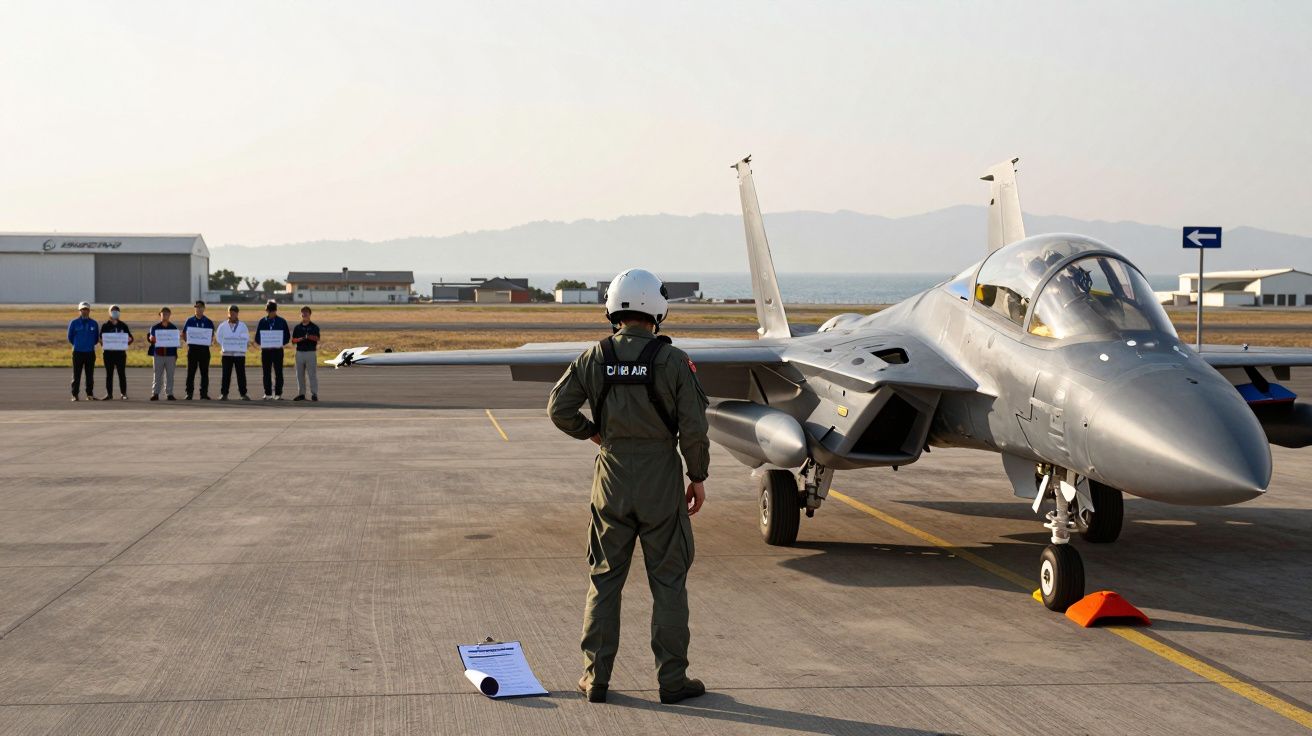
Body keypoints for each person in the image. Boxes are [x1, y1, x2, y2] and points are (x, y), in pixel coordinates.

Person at [547, 268, 710, 706]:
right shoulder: (674, 361)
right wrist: (697, 476)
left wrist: (592, 434)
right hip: (661, 480)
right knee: (669, 583)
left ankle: (595, 679)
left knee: (603, 580)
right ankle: (672, 681)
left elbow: (558, 408)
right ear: (656, 309)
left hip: (612, 477)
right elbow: (694, 427)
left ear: (612, 307)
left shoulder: (593, 356)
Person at [255, 300, 291, 400]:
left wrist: (280, 343)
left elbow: (287, 336)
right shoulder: (262, 321)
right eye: (268, 311)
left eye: (272, 311)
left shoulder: (281, 321)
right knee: (266, 372)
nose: (270, 313)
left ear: (275, 310)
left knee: (278, 372)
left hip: (277, 351)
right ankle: (268, 393)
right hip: (266, 351)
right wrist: (263, 343)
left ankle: (278, 393)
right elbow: (257, 337)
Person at [215, 304, 251, 401]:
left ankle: (243, 394)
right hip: (226, 354)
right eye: (230, 312)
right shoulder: (222, 326)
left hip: (239, 354)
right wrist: (226, 344)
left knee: (241, 374)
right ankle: (224, 394)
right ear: (228, 313)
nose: (232, 313)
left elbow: (246, 338)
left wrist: (237, 342)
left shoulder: (243, 326)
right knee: (226, 375)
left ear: (237, 313)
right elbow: (218, 338)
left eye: (234, 312)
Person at [67, 301, 100, 401]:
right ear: (79, 311)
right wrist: (78, 345)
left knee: (89, 375)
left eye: (86, 309)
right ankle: (74, 394)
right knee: (76, 375)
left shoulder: (94, 323)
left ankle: (89, 394)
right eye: (82, 310)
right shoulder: (74, 323)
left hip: (90, 352)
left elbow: (96, 338)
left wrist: (88, 345)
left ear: (89, 311)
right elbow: (70, 337)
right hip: (77, 352)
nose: (84, 311)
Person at [99, 305, 133, 400]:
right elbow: (101, 338)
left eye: (117, 311)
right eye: (113, 311)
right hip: (108, 354)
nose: (115, 312)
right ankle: (109, 394)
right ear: (109, 312)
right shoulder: (105, 326)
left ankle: (123, 393)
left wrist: (129, 340)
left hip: (120, 354)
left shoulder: (123, 325)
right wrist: (101, 342)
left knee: (121, 373)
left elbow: (130, 338)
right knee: (109, 374)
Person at [183, 300, 215, 400]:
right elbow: (184, 333)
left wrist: (206, 340)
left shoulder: (208, 321)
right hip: (192, 350)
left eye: (200, 307)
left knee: (204, 373)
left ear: (204, 308)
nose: (198, 309)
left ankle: (204, 394)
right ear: (195, 308)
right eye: (196, 307)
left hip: (204, 350)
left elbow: (211, 335)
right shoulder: (189, 320)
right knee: (190, 373)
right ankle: (189, 393)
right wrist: (188, 340)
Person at [148, 307, 179, 400]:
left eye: (167, 313)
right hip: (158, 354)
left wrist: (175, 354)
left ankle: (169, 393)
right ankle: (155, 393)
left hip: (170, 354)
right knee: (157, 375)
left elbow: (175, 342)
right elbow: (151, 337)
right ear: (160, 315)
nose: (165, 315)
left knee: (170, 375)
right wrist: (151, 339)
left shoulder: (173, 328)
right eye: (163, 313)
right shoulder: (154, 327)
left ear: (170, 315)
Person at [291, 305, 321, 401]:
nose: (304, 314)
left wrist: (309, 337)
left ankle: (314, 394)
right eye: (303, 312)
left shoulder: (314, 327)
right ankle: (301, 394)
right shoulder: (297, 327)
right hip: (299, 353)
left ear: (310, 314)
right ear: (301, 314)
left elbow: (317, 338)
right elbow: (293, 341)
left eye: (306, 312)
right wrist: (302, 338)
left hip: (310, 353)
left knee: (312, 374)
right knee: (299, 375)